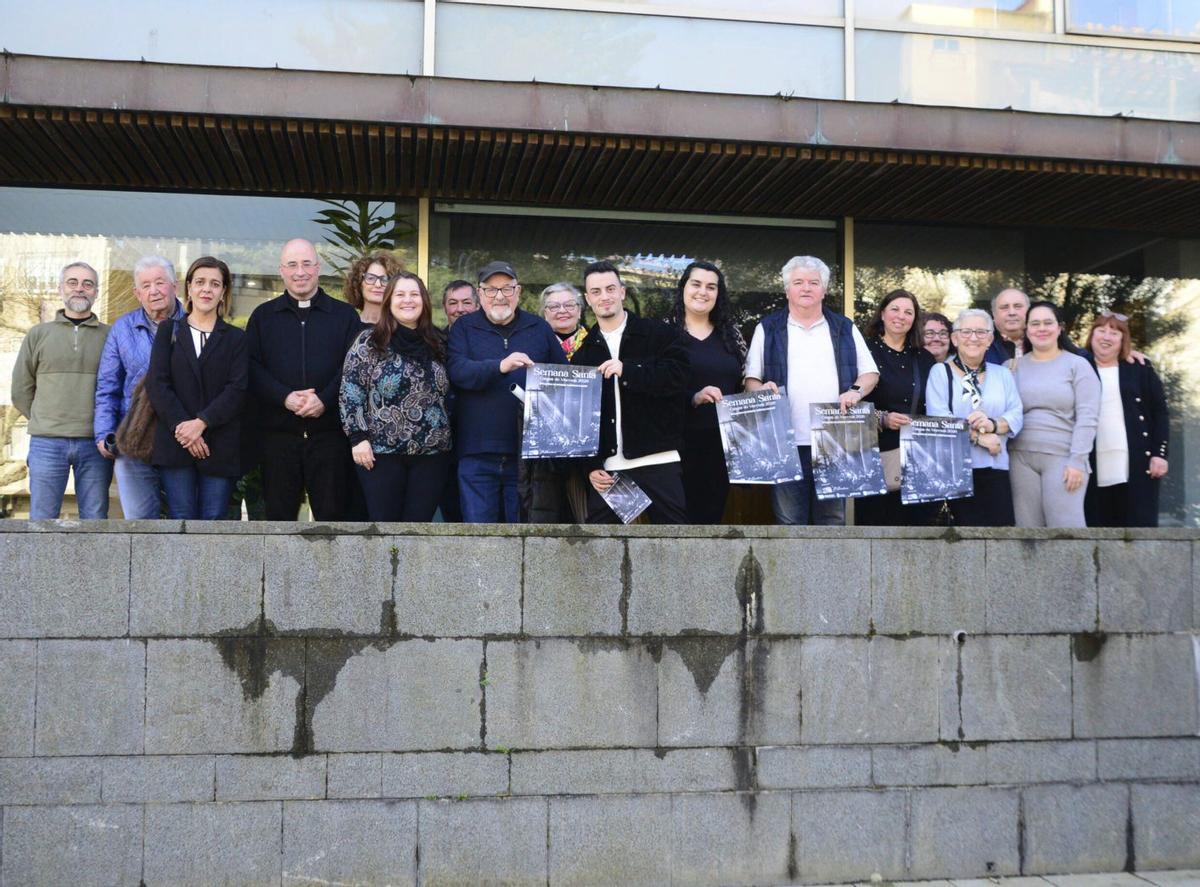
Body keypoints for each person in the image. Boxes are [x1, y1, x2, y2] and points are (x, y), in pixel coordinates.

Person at [744, 255, 878, 525]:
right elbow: (750, 380)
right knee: (789, 522)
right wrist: (762, 390)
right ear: (787, 290)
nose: (806, 288)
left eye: (813, 282)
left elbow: (870, 373)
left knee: (833, 520)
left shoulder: (844, 327)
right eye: (798, 282)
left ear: (824, 289)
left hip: (835, 438)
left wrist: (855, 391)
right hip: (785, 441)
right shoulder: (767, 328)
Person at [245, 238, 362, 520]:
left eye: (307, 264)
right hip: (278, 439)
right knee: (278, 524)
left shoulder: (345, 316)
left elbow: (353, 369)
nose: (300, 272)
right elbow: (251, 367)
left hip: (330, 439)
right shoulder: (263, 317)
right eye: (292, 265)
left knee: (333, 525)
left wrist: (323, 399)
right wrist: (284, 397)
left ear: (318, 268)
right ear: (281, 270)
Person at [573, 260, 691, 524]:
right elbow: (580, 421)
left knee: (674, 541)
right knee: (602, 545)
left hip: (658, 460)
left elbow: (678, 377)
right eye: (596, 291)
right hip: (612, 471)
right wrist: (590, 467)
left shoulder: (659, 334)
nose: (605, 297)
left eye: (610, 289)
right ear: (587, 299)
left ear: (622, 292)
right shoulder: (584, 353)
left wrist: (628, 370)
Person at [447, 260, 565, 523]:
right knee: (479, 541)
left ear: (518, 292)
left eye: (507, 289)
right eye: (491, 289)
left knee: (524, 539)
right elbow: (457, 372)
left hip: (527, 457)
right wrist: (501, 366)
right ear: (480, 294)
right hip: (476, 453)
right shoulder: (464, 329)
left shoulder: (539, 328)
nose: (499, 296)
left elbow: (562, 380)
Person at [340, 272, 452, 521]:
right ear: (389, 302)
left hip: (432, 456)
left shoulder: (439, 342)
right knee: (385, 531)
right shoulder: (369, 342)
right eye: (400, 295)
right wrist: (358, 438)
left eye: (414, 294)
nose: (407, 300)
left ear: (423, 301)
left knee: (418, 532)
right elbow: (351, 391)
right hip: (381, 455)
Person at [144, 257, 247, 520]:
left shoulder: (236, 338)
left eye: (215, 284)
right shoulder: (169, 330)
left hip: (220, 445)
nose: (206, 289)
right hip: (175, 443)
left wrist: (201, 423)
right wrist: (185, 428)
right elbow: (158, 384)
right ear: (188, 288)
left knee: (214, 522)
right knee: (182, 520)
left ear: (223, 292)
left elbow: (237, 389)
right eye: (200, 282)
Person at [12, 261, 112, 519]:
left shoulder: (110, 336)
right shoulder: (38, 334)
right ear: (60, 289)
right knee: (42, 521)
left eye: (87, 284)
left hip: (95, 443)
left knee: (95, 521)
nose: (80, 289)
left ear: (96, 292)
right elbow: (21, 388)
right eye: (73, 282)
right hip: (47, 442)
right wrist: (45, 418)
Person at [94, 255, 187, 519]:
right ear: (137, 293)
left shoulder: (193, 325)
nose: (154, 290)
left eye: (160, 282)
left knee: (186, 524)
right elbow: (107, 388)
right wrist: (104, 433)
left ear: (175, 286)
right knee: (140, 527)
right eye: (146, 285)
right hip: (133, 441)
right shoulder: (122, 329)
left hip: (180, 439)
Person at [926, 309, 1023, 526]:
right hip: (956, 469)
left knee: (1000, 536)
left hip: (996, 468)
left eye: (981, 332)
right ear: (955, 338)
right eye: (966, 331)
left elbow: (1016, 414)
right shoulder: (940, 372)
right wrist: (978, 438)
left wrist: (992, 425)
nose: (973, 338)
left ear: (990, 339)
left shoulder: (1003, 374)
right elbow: (939, 420)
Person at [665, 261, 745, 524]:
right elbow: (652, 387)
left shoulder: (731, 334)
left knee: (711, 520)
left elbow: (744, 383)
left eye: (712, 287)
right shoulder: (663, 332)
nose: (703, 292)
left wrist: (762, 392)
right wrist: (693, 396)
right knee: (677, 523)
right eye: (696, 284)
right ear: (683, 288)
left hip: (722, 448)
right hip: (675, 444)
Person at [1008, 301, 1100, 528]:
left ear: (1060, 328)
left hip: (1064, 459)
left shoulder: (1078, 365)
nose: (1041, 328)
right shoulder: (1010, 367)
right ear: (1027, 330)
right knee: (1026, 534)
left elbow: (1088, 417)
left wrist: (1078, 460)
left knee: (1066, 532)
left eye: (1048, 323)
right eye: (1035, 323)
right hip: (1019, 458)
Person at [857, 289, 937, 526]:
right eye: (895, 309)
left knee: (916, 528)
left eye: (908, 312)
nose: (901, 316)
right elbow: (846, 404)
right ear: (882, 313)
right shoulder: (863, 352)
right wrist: (881, 418)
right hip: (873, 456)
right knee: (876, 527)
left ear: (914, 320)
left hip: (917, 457)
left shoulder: (924, 358)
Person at [1083, 311, 1169, 527]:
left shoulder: (1140, 368)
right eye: (1101, 331)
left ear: (1123, 340)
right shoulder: (1079, 366)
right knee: (1096, 526)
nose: (1106, 337)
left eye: (1114, 333)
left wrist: (1160, 454)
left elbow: (1160, 412)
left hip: (1136, 462)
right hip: (1091, 462)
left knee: (1137, 528)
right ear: (1091, 336)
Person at [345, 252, 403, 328]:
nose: (378, 285)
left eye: (385, 279)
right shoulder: (346, 325)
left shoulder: (402, 330)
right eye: (370, 278)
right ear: (358, 284)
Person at [541, 282, 588, 360]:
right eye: (554, 306)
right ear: (545, 313)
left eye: (569, 305)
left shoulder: (594, 342)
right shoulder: (535, 343)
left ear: (579, 311)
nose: (562, 311)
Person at [985, 288, 1030, 365]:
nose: (1012, 313)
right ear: (994, 314)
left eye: (1018, 306)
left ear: (1029, 311)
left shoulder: (1042, 340)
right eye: (1004, 307)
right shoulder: (981, 343)